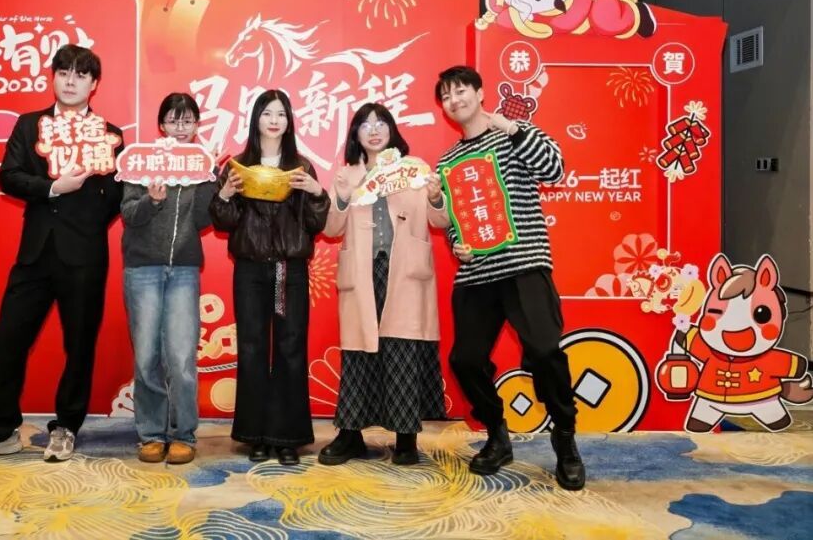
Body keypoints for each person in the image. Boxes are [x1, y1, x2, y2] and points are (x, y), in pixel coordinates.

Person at [0, 44, 124, 463]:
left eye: (81, 75)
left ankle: (67, 427)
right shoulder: (29, 124)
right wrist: (52, 188)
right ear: (53, 78)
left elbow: (116, 197)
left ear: (94, 84)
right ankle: (1, 430)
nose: (70, 81)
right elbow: (8, 176)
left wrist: (84, 216)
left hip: (84, 255)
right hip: (34, 253)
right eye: (63, 73)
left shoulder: (110, 134)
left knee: (79, 346)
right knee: (9, 338)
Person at [434, 65, 586, 491]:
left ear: (479, 92)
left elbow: (554, 169)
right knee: (465, 360)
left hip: (524, 264)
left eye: (461, 91)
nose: (454, 100)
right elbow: (456, 220)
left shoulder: (514, 133)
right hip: (477, 274)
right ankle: (497, 435)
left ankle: (565, 438)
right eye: (446, 96)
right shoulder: (447, 160)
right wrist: (457, 244)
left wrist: (515, 129)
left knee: (545, 350)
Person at [318, 103, 449, 466]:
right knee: (359, 351)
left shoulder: (414, 168)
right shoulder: (347, 174)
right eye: (365, 124)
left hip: (404, 270)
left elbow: (441, 220)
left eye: (380, 123)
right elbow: (330, 228)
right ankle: (350, 435)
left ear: (392, 129)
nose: (373, 130)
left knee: (402, 348)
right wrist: (341, 197)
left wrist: (436, 196)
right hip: (363, 272)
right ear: (355, 134)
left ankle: (406, 438)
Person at [209, 89, 330, 466]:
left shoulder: (302, 167)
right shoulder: (238, 166)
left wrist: (317, 193)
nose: (274, 120)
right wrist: (225, 194)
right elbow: (223, 223)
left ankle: (287, 436)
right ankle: (255, 435)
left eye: (281, 114)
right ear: (256, 119)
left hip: (289, 270)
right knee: (252, 347)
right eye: (267, 113)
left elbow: (316, 223)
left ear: (289, 121)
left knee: (291, 348)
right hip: (250, 269)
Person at [121, 93, 217, 465]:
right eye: (173, 121)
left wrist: (213, 184)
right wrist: (152, 200)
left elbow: (205, 221)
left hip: (184, 270)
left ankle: (183, 435)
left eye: (187, 120)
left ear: (196, 125)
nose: (180, 128)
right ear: (161, 125)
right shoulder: (141, 160)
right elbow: (129, 214)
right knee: (147, 354)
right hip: (143, 268)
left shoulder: (201, 163)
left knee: (181, 356)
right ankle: (151, 434)